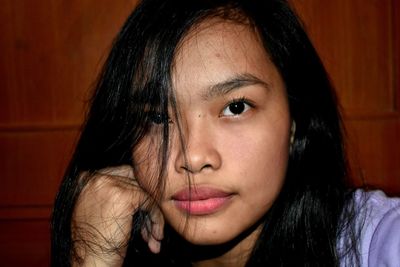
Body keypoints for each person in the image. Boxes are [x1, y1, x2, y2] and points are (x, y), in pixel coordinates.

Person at [51, 0, 400, 266]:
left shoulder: (373, 241)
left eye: (235, 107)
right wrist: (93, 257)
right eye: (157, 117)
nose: (192, 157)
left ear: (295, 119)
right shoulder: (114, 248)